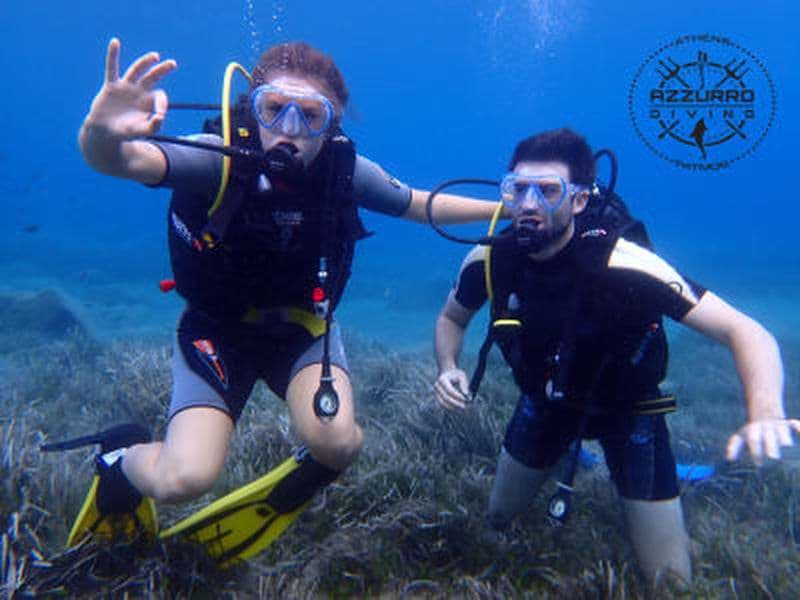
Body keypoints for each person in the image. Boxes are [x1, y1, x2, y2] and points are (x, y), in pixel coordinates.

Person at [69, 37, 500, 554]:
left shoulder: (344, 172)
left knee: (338, 443)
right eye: (275, 109)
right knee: (182, 480)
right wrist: (101, 134)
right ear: (252, 109)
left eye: (311, 116)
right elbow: (126, 160)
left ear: (332, 125)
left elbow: (418, 204)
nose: (290, 130)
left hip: (301, 330)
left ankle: (308, 470)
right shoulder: (218, 158)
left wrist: (503, 210)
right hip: (217, 329)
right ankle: (118, 461)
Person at [432, 128, 800, 585]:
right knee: (498, 519)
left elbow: (746, 331)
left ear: (580, 201)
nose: (527, 205)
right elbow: (451, 319)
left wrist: (764, 412)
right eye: (517, 189)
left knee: (670, 581)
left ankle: (639, 465)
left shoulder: (626, 263)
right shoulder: (490, 260)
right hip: (545, 401)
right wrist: (448, 368)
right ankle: (573, 451)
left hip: (630, 412)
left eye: (548, 191)